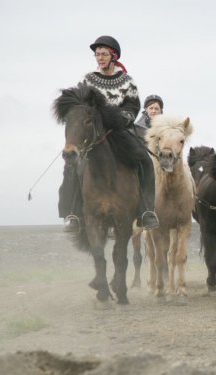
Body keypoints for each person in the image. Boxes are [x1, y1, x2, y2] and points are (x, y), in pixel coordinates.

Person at [59, 35, 159, 232]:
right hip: (93, 134)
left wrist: (122, 117)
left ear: (113, 56)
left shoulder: (127, 81)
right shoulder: (87, 80)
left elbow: (133, 106)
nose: (100, 58)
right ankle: (74, 213)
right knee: (73, 165)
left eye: (104, 54)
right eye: (97, 54)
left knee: (145, 161)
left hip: (119, 131)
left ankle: (146, 211)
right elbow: (80, 105)